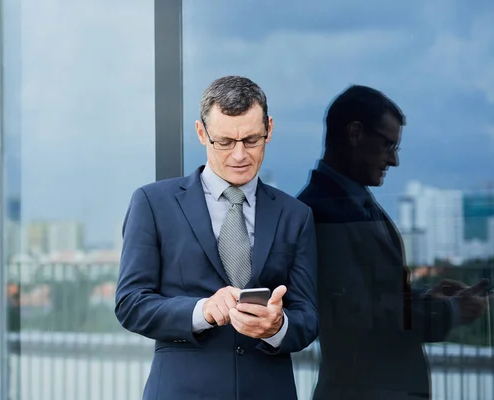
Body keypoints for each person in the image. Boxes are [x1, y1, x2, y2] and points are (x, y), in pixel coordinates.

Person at [115, 75, 319, 400]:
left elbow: (308, 317)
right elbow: (131, 303)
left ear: (270, 128)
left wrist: (277, 327)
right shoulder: (153, 203)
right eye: (224, 142)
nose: (239, 155)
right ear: (201, 133)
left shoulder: (295, 215)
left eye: (252, 140)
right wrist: (203, 311)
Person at [297, 84, 490, 400]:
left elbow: (371, 294)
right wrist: (452, 312)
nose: (394, 160)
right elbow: (356, 316)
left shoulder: (351, 202)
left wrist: (429, 298)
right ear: (356, 133)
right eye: (388, 145)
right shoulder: (322, 213)